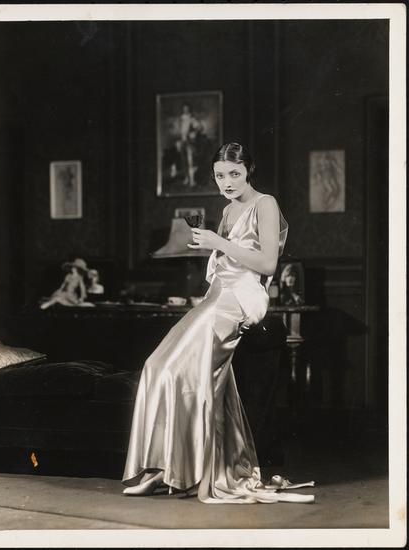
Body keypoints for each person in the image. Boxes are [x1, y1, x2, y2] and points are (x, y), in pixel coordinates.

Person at [122, 142, 314, 503]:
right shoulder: (227, 210)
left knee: (190, 369)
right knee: (158, 366)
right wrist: (211, 246)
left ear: (249, 171)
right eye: (220, 175)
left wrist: (218, 243)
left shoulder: (265, 204)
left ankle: (182, 470)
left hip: (244, 297)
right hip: (218, 295)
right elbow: (226, 262)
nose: (227, 182)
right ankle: (161, 468)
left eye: (234, 174)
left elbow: (267, 264)